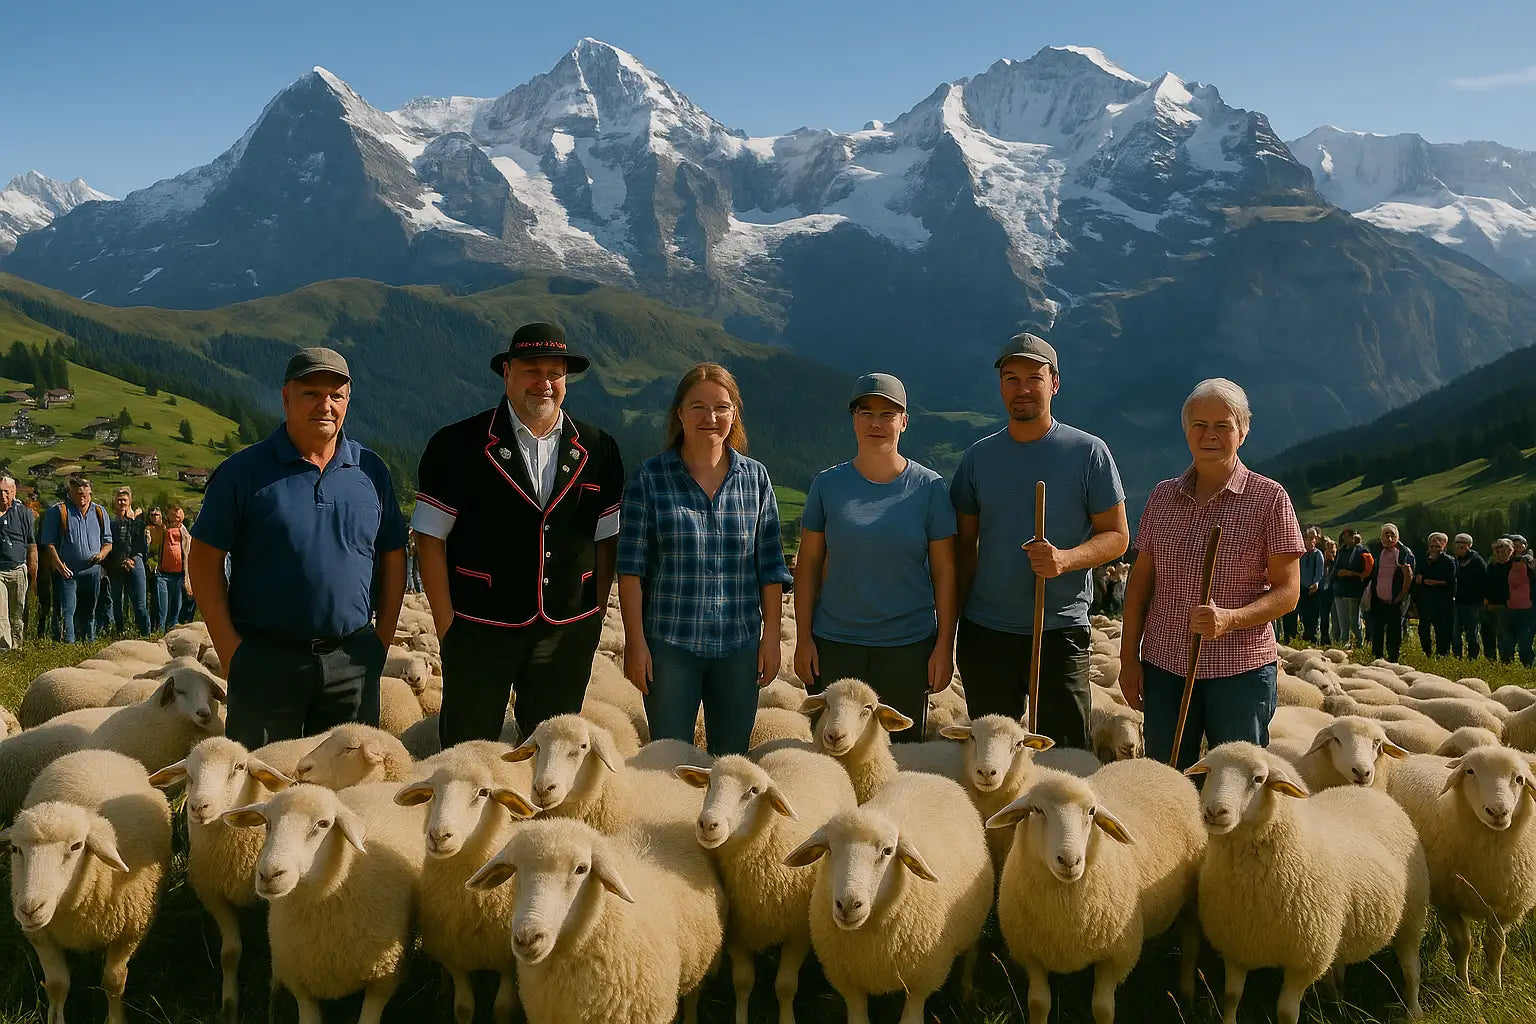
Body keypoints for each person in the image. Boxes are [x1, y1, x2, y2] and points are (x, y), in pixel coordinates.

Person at [412, 322, 625, 746]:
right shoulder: (456, 445)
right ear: (507, 373)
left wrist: (593, 618)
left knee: (553, 756)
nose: (543, 383)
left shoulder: (599, 448)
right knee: (468, 752)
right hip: (478, 627)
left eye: (554, 372)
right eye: (532, 371)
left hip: (566, 633)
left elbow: (607, 541)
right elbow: (430, 538)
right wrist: (446, 624)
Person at [189, 347, 407, 749]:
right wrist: (230, 650)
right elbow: (204, 558)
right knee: (261, 789)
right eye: (311, 394)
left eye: (336, 396)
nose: (325, 405)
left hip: (352, 663)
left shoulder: (371, 471)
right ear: (287, 397)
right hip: (266, 661)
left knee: (347, 792)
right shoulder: (244, 472)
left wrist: (381, 641)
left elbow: (394, 553)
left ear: (348, 401)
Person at [950, 334, 1129, 750]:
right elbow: (963, 548)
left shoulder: (1088, 453)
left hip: (1058, 631)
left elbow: (1118, 536)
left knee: (1064, 757)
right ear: (1000, 386)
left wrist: (1066, 559)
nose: (1022, 388)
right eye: (1011, 378)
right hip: (986, 634)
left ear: (1055, 383)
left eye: (1034, 377)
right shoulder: (978, 458)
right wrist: (951, 627)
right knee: (990, 761)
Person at [1120, 378, 1303, 769]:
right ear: (1186, 430)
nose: (1210, 435)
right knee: (1166, 782)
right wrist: (1128, 659)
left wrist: (1230, 619)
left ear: (1243, 430)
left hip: (1240, 671)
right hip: (1165, 666)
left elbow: (1289, 591)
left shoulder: (1270, 498)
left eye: (1223, 425)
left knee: (1235, 785)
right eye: (1200, 425)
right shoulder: (1162, 496)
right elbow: (1139, 586)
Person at [619, 362, 792, 757]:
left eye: (721, 407)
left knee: (730, 762)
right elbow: (631, 570)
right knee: (668, 759)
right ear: (679, 414)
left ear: (734, 414)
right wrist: (635, 643)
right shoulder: (650, 479)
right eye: (697, 407)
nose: (709, 417)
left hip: (739, 647)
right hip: (669, 647)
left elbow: (769, 567)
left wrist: (770, 638)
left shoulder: (756, 479)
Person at [792, 373, 958, 740]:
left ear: (904, 422)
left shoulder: (929, 488)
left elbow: (946, 571)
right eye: (866, 412)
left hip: (908, 647)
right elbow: (808, 565)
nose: (876, 423)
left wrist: (944, 645)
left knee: (896, 757)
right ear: (853, 419)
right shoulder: (827, 485)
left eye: (888, 414)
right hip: (834, 645)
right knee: (831, 759)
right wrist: (803, 637)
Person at [39, 475, 112, 643]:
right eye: (78, 494)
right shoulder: (59, 511)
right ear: (70, 493)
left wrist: (101, 555)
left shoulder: (100, 512)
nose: (82, 498)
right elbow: (49, 543)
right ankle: (68, 646)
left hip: (92, 570)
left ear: (90, 493)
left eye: (85, 494)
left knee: (89, 611)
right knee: (67, 612)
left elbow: (108, 542)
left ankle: (88, 643)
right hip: (67, 571)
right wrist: (58, 565)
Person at [105, 486, 152, 635]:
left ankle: (145, 633)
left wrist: (132, 558)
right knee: (116, 601)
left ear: (129, 501)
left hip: (135, 561)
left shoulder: (137, 522)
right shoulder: (111, 524)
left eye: (124, 500)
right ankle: (119, 632)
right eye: (119, 500)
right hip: (117, 563)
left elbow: (141, 544)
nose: (121, 503)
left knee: (139, 603)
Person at [1365, 523, 1415, 663]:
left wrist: (1401, 595)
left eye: (1392, 534)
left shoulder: (1404, 552)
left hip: (1396, 601)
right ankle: (1377, 657)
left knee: (1394, 632)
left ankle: (1393, 659)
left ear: (1397, 536)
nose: (1389, 537)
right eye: (1386, 534)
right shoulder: (1378, 551)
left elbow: (1409, 575)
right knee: (1377, 629)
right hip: (1378, 599)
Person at [0, 473, 36, 650]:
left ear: (14, 492)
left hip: (18, 568)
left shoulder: (23, 513)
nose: (3, 495)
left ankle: (18, 647)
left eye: (7, 491)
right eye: (0, 491)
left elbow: (31, 543)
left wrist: (32, 568)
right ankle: (5, 648)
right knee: (1, 613)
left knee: (18, 612)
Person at [147, 505, 191, 633]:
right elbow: (152, 547)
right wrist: (154, 564)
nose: (176, 518)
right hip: (163, 574)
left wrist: (187, 578)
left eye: (178, 516)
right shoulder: (161, 529)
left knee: (176, 607)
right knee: (162, 606)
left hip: (179, 575)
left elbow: (188, 554)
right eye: (174, 515)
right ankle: (159, 633)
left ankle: (173, 633)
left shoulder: (184, 532)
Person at [1413, 532, 1456, 657]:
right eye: (1432, 545)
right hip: (1425, 601)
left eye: (1438, 545)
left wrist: (1435, 582)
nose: (1434, 548)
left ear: (1444, 546)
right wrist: (1419, 578)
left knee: (1441, 631)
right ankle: (1427, 653)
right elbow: (1417, 575)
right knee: (1423, 630)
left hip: (1442, 602)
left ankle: (1442, 655)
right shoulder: (1423, 559)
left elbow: (1452, 582)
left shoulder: (1449, 561)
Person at [1498, 535, 1536, 667]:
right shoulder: (1506, 564)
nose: (1518, 547)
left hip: (1528, 610)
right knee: (1507, 644)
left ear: (1526, 546)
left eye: (1521, 544)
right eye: (1515, 545)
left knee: (1525, 644)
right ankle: (1506, 670)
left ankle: (1527, 669)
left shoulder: (1531, 562)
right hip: (1510, 608)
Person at [1283, 527, 1324, 643]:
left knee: (1310, 618)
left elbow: (1319, 572)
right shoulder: (1299, 554)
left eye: (1314, 538)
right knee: (1291, 615)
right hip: (1298, 589)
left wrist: (1316, 583)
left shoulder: (1318, 554)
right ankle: (1291, 639)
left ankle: (1310, 641)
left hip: (1311, 591)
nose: (1312, 541)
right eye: (1309, 538)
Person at [1450, 533, 1486, 660]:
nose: (1459, 548)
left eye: (1462, 546)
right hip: (1458, 601)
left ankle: (1473, 657)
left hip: (1473, 603)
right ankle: (1457, 656)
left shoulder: (1477, 561)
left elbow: (1483, 582)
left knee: (1472, 632)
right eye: (1457, 545)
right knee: (1456, 632)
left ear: (1468, 546)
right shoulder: (1455, 561)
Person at [1317, 536, 1336, 645]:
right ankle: (1325, 638)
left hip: (1333, 592)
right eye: (1328, 547)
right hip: (1323, 592)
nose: (1331, 550)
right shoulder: (1322, 560)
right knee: (1324, 617)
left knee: (1334, 618)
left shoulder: (1337, 561)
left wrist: (1332, 560)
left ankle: (1335, 639)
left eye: (1332, 547)